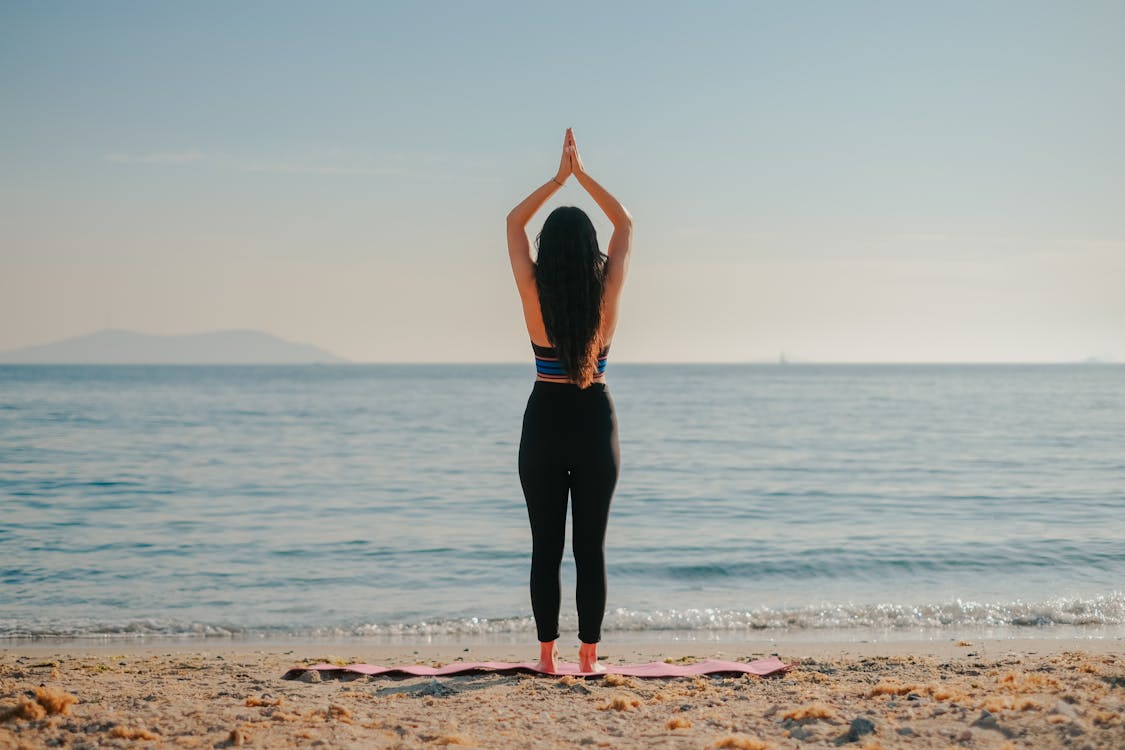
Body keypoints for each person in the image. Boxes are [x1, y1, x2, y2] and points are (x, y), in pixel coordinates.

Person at [505, 128, 633, 674]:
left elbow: (513, 224)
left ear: (548, 252)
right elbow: (625, 224)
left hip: (545, 419)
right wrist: (582, 178)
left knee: (545, 547)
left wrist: (558, 180)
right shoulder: (605, 295)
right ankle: (589, 658)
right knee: (590, 549)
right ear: (590, 250)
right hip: (594, 418)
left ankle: (545, 658)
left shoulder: (535, 291)